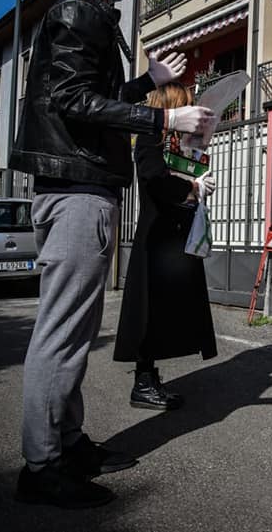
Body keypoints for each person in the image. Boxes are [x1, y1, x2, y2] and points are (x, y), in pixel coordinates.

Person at [9, 0, 216, 509]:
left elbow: (89, 94)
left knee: (74, 331)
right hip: (75, 187)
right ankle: (42, 464)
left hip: (83, 183)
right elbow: (70, 100)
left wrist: (145, 81)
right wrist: (163, 116)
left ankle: (68, 443)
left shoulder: (89, 16)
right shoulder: (77, 12)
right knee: (62, 332)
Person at [113, 82, 219, 410]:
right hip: (156, 235)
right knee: (149, 312)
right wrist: (193, 188)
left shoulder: (175, 141)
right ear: (170, 104)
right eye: (185, 103)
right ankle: (143, 382)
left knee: (166, 311)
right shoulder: (149, 136)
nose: (189, 108)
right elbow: (153, 178)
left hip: (174, 235)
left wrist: (196, 171)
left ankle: (148, 379)